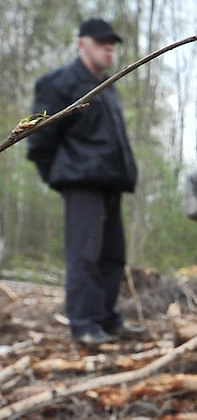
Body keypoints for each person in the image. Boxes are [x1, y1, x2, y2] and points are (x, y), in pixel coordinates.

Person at [26, 18, 143, 346]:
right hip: (81, 183)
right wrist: (60, 178)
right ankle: (84, 324)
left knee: (113, 256)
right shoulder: (59, 83)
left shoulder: (109, 87)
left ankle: (106, 319)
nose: (110, 48)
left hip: (111, 183)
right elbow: (40, 140)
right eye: (102, 41)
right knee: (85, 255)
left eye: (113, 43)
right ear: (81, 44)